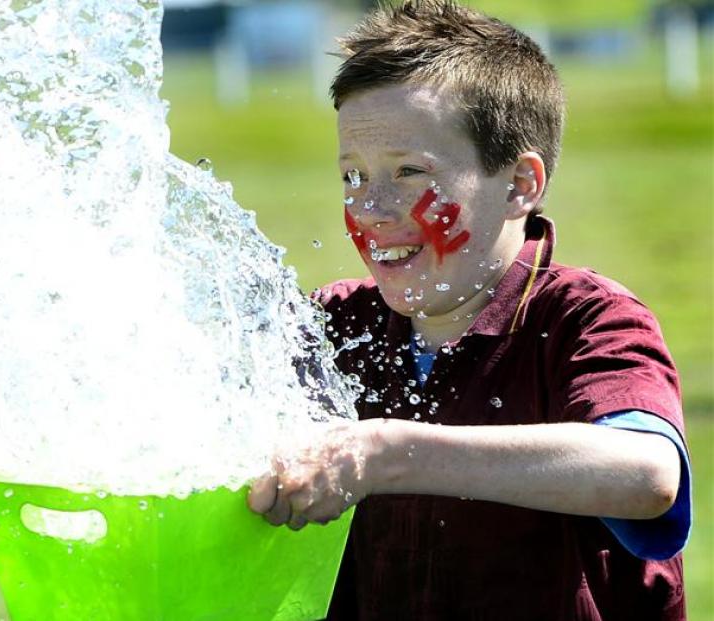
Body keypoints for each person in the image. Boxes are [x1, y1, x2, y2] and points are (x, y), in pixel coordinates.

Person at [247, 2, 692, 620]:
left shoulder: (585, 320)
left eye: (408, 172)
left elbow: (646, 476)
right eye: (352, 175)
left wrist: (384, 454)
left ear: (519, 185)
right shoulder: (332, 327)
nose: (371, 208)